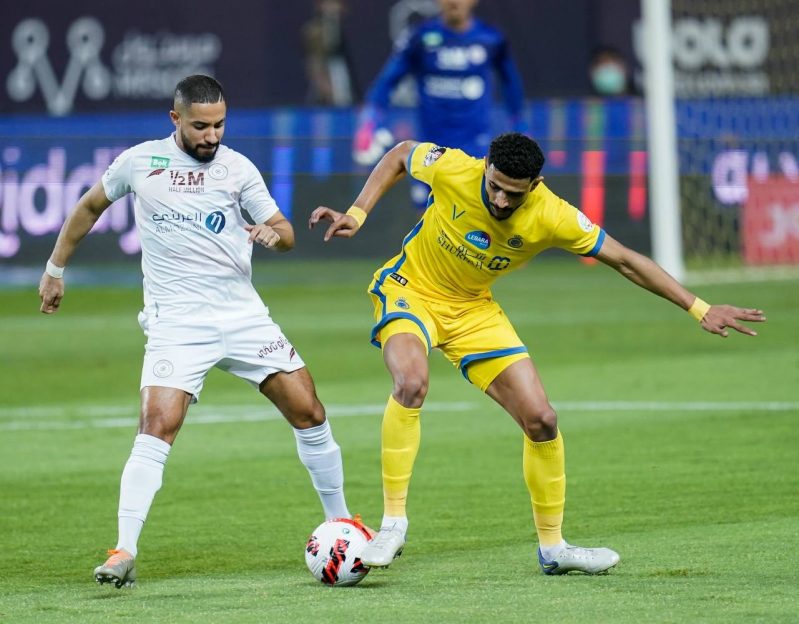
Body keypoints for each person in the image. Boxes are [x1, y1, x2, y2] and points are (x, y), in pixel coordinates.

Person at [309, 133, 766, 574]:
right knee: (411, 382)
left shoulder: (553, 215)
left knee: (542, 419)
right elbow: (400, 154)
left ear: (537, 186)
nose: (503, 201)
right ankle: (392, 525)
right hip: (410, 291)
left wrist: (699, 308)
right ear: (485, 168)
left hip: (473, 311)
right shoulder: (453, 168)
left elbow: (626, 259)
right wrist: (358, 212)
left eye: (515, 195)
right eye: (496, 188)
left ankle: (554, 548)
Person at [39, 75, 354, 588]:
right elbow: (90, 206)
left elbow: (288, 233)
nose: (212, 136)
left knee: (309, 410)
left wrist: (275, 236)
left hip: (243, 315)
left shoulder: (238, 168)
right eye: (201, 126)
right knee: (157, 424)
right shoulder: (140, 162)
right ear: (175, 119)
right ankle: (123, 550)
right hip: (178, 321)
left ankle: (341, 523)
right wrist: (55, 269)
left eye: (220, 125)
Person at [353, 0, 526, 210]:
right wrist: (370, 122)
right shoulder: (420, 38)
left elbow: (511, 85)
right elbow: (386, 82)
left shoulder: (491, 39)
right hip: (429, 152)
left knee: (475, 221)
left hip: (475, 154)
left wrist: (520, 128)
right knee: (426, 221)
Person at [302, 0, 358, 105]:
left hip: (344, 88)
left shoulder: (344, 29)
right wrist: (326, 88)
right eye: (329, 3)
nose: (334, 7)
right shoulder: (314, 31)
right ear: (321, 6)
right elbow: (314, 65)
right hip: (326, 93)